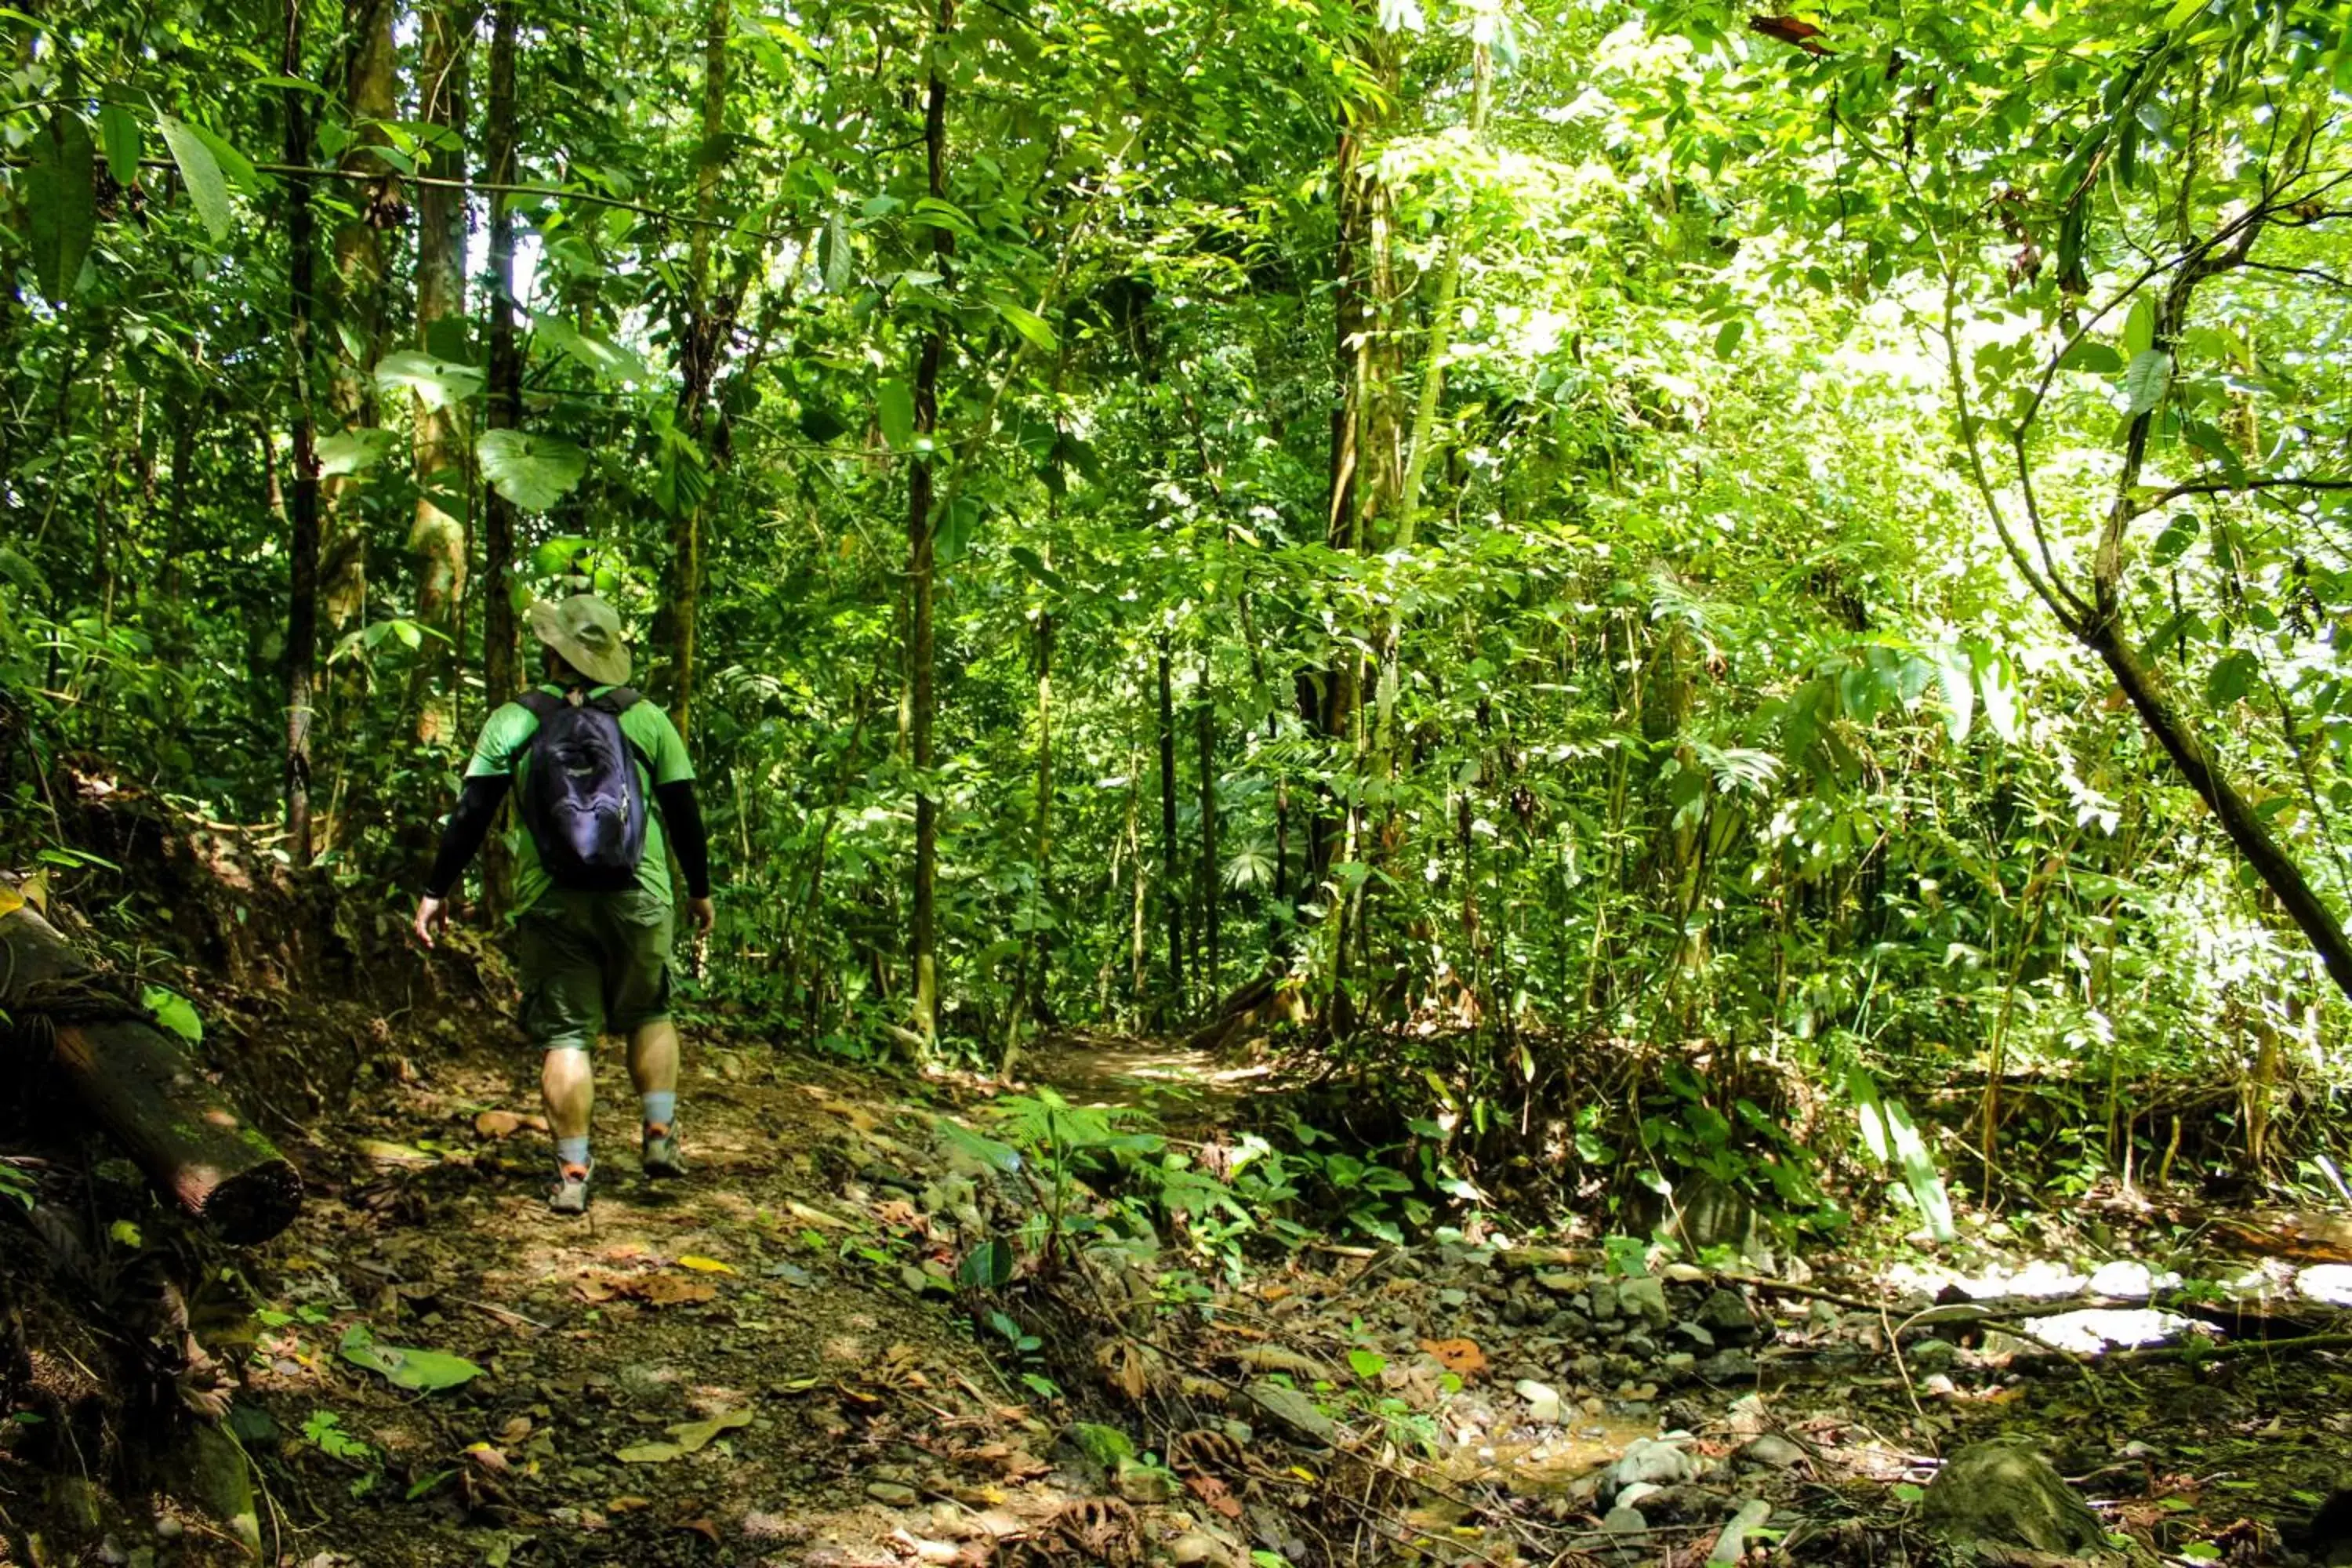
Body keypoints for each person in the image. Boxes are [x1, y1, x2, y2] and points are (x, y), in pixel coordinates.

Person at [412, 593, 714, 1214]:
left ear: (551, 651)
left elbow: (472, 813)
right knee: (650, 1010)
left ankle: (575, 1173)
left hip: (551, 895)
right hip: (642, 892)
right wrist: (701, 889)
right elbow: (683, 812)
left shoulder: (515, 720)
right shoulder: (646, 719)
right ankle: (658, 1137)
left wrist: (436, 890)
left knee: (568, 1035)